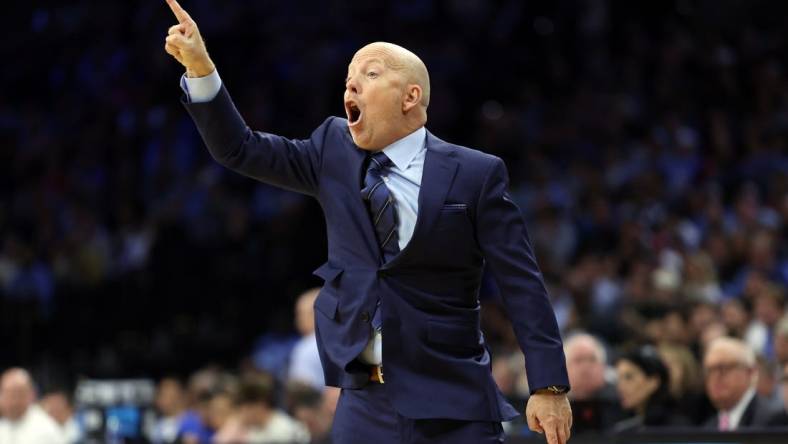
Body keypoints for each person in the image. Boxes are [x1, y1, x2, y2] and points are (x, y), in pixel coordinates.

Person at [162, 1, 572, 443]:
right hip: (363, 400)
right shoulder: (331, 150)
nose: (352, 85)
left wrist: (548, 385)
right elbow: (239, 149)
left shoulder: (475, 172)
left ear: (410, 96)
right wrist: (202, 70)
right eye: (348, 80)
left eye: (370, 74)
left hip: (453, 397)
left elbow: (522, 283)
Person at [702, 337, 787, 430]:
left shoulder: (773, 420)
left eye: (723, 368)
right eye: (709, 371)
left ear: (750, 372)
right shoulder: (709, 426)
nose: (715, 377)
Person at [612, 345, 688, 433]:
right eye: (618, 379)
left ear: (653, 382)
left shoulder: (675, 428)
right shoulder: (623, 425)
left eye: (629, 377)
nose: (620, 387)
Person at [563, 333, 622, 433]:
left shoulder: (621, 401)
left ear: (603, 367)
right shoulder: (551, 403)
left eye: (592, 359)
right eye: (578, 360)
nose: (586, 368)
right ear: (564, 368)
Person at [0, 368, 65, 444]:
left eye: (16, 394)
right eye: (6, 395)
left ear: (31, 395)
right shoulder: (4, 423)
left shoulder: (44, 431)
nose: (11, 401)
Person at [288, 288, 325, 389]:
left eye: (300, 314)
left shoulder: (306, 348)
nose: (297, 320)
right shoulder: (345, 342)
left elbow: (301, 390)